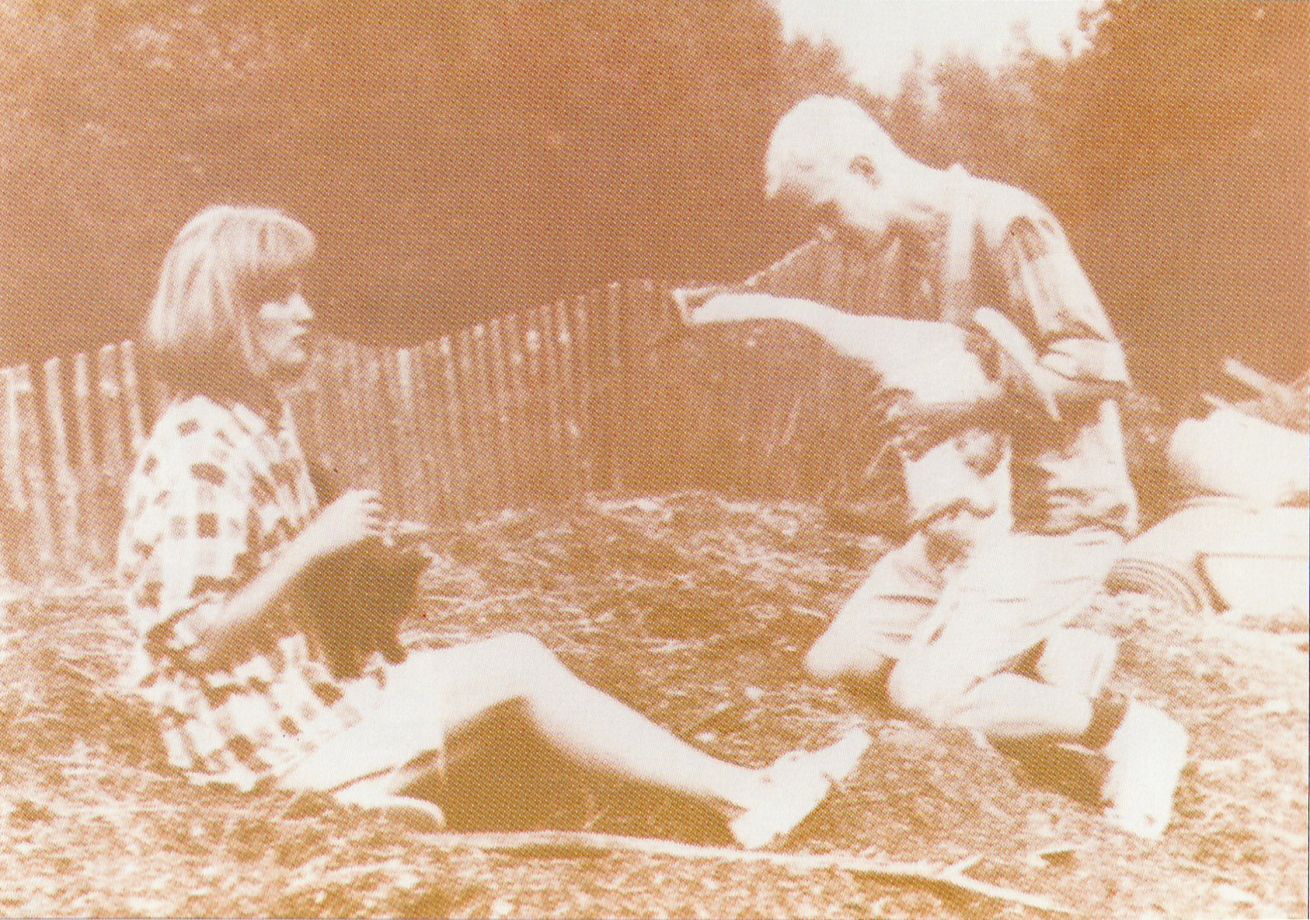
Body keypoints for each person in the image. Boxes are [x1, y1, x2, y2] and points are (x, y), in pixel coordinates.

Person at [116, 205, 870, 849]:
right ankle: (746, 797)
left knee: (511, 709)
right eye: (278, 296)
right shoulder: (200, 448)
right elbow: (198, 638)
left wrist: (364, 579)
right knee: (517, 666)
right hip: (255, 736)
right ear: (227, 316)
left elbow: (279, 593)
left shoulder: (255, 418)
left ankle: (374, 794)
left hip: (301, 699)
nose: (306, 312)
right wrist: (319, 542)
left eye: (300, 291)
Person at [757, 96, 1187, 839]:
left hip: (1059, 520)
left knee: (920, 695)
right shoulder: (906, 259)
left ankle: (1129, 731)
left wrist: (964, 413)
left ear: (868, 168)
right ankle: (1054, 654)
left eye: (827, 212)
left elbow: (1096, 366)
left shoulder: (1004, 223)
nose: (825, 234)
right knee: (835, 663)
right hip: (975, 523)